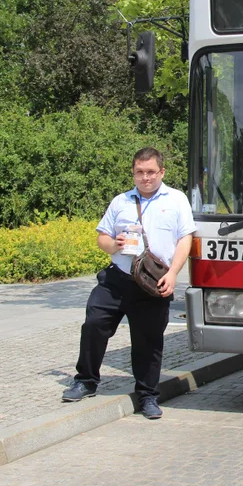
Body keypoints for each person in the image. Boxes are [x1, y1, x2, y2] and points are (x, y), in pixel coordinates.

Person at [61, 147, 196, 419]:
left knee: (148, 342)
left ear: (161, 172)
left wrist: (173, 275)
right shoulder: (121, 201)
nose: (145, 177)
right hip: (117, 279)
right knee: (94, 324)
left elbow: (186, 239)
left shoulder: (177, 199)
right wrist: (115, 244)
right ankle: (86, 380)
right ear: (133, 173)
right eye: (139, 172)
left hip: (154, 282)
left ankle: (147, 396)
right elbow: (102, 238)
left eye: (150, 172)